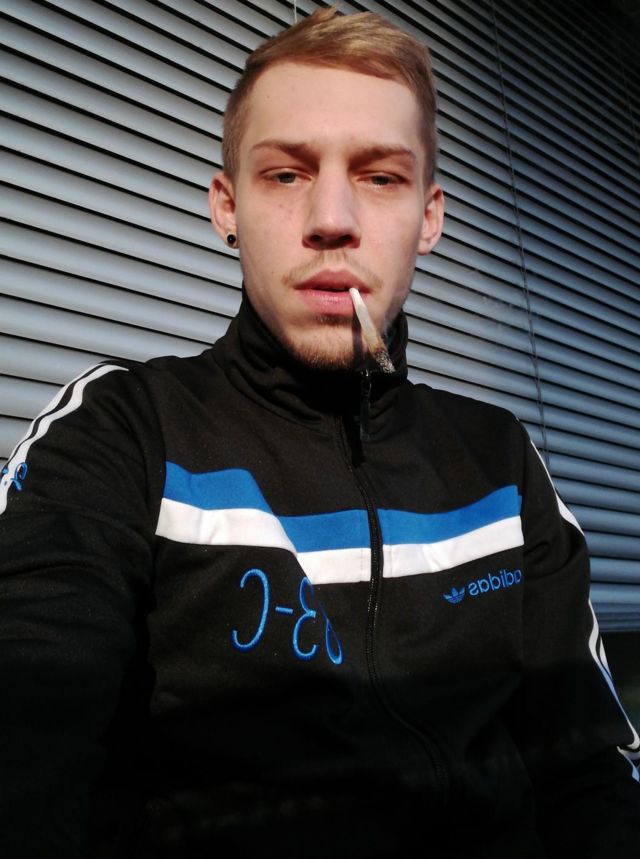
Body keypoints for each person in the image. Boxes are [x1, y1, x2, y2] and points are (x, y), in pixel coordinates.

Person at [1, 6, 638, 858]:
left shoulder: (500, 460)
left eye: (380, 176)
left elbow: (589, 768)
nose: (332, 217)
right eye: (285, 173)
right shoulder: (123, 432)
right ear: (227, 206)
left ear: (430, 217)